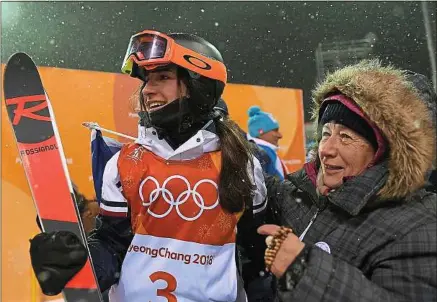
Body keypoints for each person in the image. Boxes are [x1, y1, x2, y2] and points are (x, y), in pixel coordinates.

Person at [29, 29, 267, 302]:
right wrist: (78, 262)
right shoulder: (125, 162)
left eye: (163, 77)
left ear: (199, 84)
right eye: (146, 80)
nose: (148, 90)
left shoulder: (241, 163)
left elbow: (253, 253)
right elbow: (114, 244)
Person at [258, 60, 436, 301]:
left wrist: (303, 272)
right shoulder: (310, 193)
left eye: (345, 137)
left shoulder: (419, 226)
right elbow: (273, 192)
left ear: (382, 151)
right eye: (326, 134)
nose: (326, 149)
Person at [247, 106, 288, 180]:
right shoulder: (262, 153)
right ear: (260, 132)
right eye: (275, 130)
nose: (280, 136)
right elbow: (277, 186)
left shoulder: (265, 151)